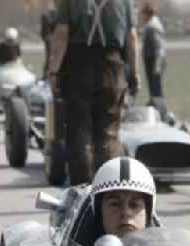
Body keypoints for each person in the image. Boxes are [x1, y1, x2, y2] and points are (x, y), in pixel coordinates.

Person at [48, 0, 140, 186]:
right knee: (109, 133)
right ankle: (108, 190)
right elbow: (131, 37)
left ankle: (82, 191)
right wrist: (135, 73)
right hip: (113, 66)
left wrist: (53, 70)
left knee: (79, 132)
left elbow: (62, 33)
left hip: (78, 66)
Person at [140, 2, 166, 102]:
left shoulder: (153, 27)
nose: (142, 16)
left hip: (154, 61)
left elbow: (159, 47)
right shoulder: (151, 25)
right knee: (154, 89)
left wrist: (157, 66)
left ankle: (159, 110)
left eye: (143, 14)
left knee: (156, 90)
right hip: (152, 61)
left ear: (147, 14)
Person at [40, 8, 58, 79]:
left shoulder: (46, 17)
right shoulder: (47, 17)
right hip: (51, 38)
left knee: (49, 57)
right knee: (50, 57)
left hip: (51, 38)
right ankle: (47, 76)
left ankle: (46, 76)